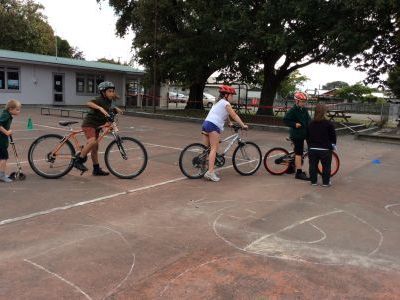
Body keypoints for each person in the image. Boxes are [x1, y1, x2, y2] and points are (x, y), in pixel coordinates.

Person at [73, 81, 123, 175]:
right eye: (109, 91)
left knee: (95, 148)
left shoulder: (109, 101)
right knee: (92, 142)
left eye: (113, 91)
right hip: (89, 124)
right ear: (103, 92)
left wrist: (116, 109)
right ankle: (78, 161)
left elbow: (109, 108)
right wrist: (99, 108)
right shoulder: (99, 99)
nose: (112, 93)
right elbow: (88, 103)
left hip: (97, 126)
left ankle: (96, 169)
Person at [201, 85, 248, 182]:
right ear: (226, 95)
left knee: (207, 149)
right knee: (214, 148)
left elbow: (223, 114)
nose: (232, 97)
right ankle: (210, 172)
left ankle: (203, 169)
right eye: (232, 95)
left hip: (206, 124)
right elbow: (234, 115)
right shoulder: (226, 103)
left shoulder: (218, 103)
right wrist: (243, 125)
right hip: (213, 125)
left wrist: (229, 123)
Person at [283, 91, 311, 180]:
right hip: (297, 134)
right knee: (299, 153)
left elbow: (309, 121)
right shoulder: (293, 110)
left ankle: (292, 165)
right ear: (297, 101)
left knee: (309, 148)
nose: (304, 103)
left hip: (304, 133)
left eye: (305, 102)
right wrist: (294, 124)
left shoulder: (304, 110)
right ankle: (298, 173)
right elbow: (286, 120)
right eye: (302, 101)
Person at [308, 104, 337, 187]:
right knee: (326, 166)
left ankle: (313, 181)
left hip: (313, 148)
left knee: (312, 165)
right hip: (325, 149)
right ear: (325, 112)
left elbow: (308, 136)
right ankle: (325, 182)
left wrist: (310, 145)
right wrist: (332, 145)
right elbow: (333, 137)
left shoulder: (311, 123)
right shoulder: (329, 124)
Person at [0, 99, 21, 183]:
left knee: (2, 157)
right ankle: (1, 176)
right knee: (3, 157)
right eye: (17, 109)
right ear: (10, 109)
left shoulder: (7, 114)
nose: (19, 111)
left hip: (2, 140)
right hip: (1, 141)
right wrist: (7, 132)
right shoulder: (6, 115)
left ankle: (1, 174)